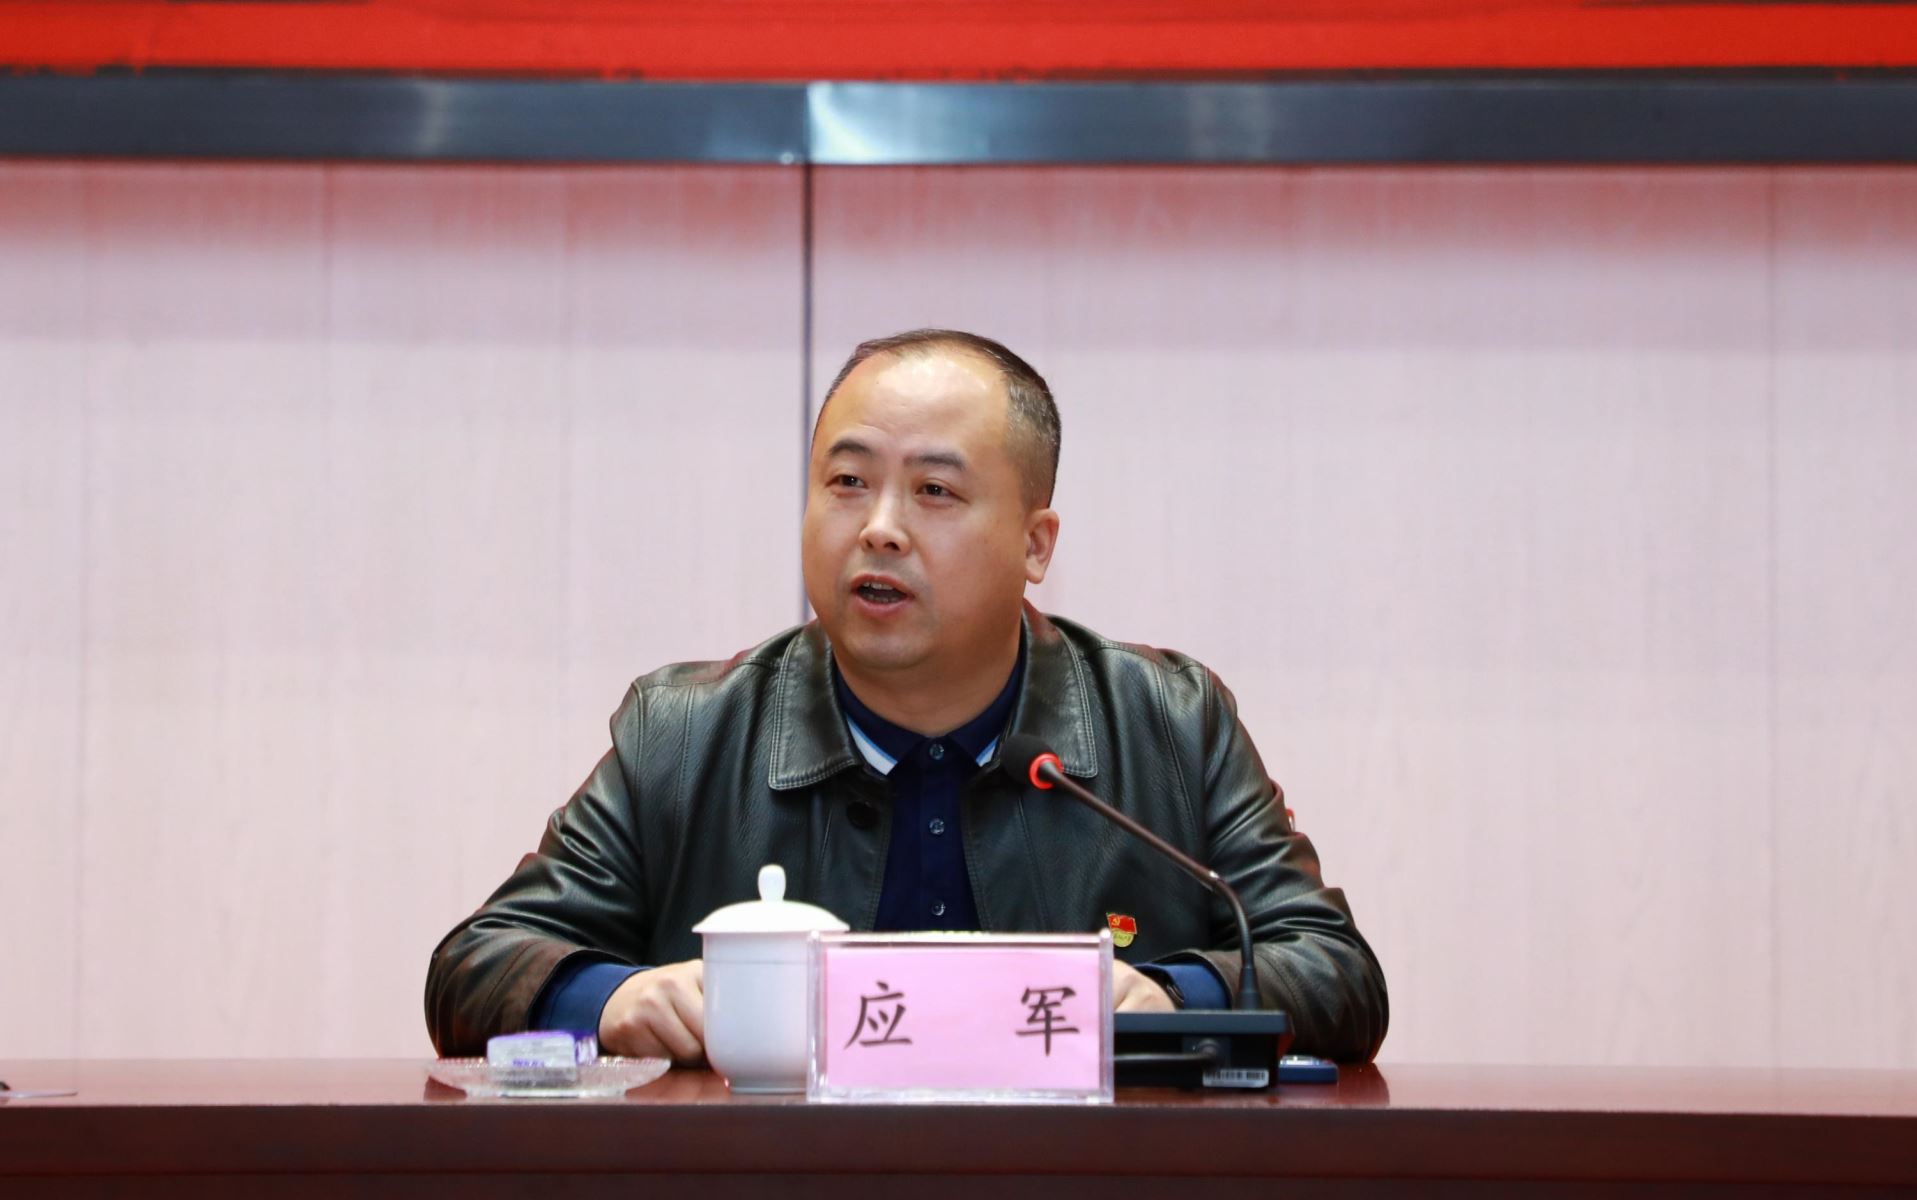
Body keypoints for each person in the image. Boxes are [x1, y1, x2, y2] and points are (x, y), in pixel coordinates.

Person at [425, 330, 1388, 1063]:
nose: (878, 528)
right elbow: (477, 966)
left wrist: (1173, 998)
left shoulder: (1167, 722)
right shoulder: (686, 732)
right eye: (847, 481)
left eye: (934, 492)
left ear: (1035, 545)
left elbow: (1333, 971)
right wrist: (610, 1000)